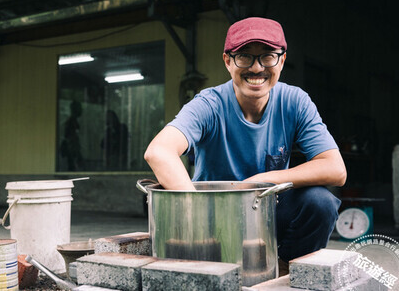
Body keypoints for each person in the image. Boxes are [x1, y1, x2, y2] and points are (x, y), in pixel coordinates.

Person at [144, 17, 346, 266]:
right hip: (212, 219)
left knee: (320, 203)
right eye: (244, 56)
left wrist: (257, 183)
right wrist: (193, 214)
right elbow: (159, 152)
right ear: (228, 61)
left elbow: (335, 169)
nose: (257, 67)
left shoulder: (295, 102)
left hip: (268, 211)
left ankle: (284, 273)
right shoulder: (209, 104)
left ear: (282, 60)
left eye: (268, 56)